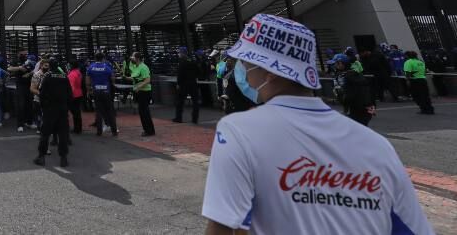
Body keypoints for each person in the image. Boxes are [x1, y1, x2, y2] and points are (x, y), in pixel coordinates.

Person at [202, 14, 433, 234]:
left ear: (269, 71)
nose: (243, 72)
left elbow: (225, 225)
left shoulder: (238, 131)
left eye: (246, 63)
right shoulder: (377, 145)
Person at [34, 58, 71, 167]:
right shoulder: (64, 76)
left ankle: (41, 156)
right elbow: (70, 94)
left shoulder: (48, 76)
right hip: (62, 110)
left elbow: (41, 93)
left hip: (50, 110)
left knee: (45, 134)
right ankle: (63, 158)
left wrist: (44, 107)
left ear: (49, 66)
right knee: (63, 134)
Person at [330, 53, 376, 126]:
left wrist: (344, 100)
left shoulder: (349, 76)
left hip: (358, 108)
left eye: (336, 63)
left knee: (357, 129)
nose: (335, 65)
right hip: (359, 107)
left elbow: (352, 93)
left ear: (341, 63)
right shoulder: (350, 74)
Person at [86, 52, 118, 137]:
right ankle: (114, 131)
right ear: (103, 58)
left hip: (96, 91)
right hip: (106, 91)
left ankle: (99, 131)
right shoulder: (107, 67)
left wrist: (89, 91)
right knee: (110, 111)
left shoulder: (91, 67)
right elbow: (112, 78)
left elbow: (87, 81)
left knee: (98, 111)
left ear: (95, 58)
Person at [128, 52, 155, 137]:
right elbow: (136, 78)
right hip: (139, 92)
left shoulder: (143, 67)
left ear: (137, 58)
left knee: (144, 112)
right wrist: (126, 78)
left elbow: (147, 80)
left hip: (144, 92)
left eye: (133, 56)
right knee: (142, 111)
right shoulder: (136, 67)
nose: (131, 58)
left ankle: (150, 130)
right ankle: (147, 129)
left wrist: (139, 87)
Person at [7, 53, 36, 132]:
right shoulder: (16, 61)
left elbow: (36, 69)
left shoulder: (30, 62)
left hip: (29, 85)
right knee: (20, 105)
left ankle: (29, 122)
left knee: (29, 104)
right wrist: (19, 68)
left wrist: (29, 73)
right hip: (20, 86)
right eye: (22, 53)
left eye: (25, 53)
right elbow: (9, 68)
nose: (24, 55)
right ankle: (20, 125)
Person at [174, 47, 200, 124]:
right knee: (195, 102)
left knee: (180, 101)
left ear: (182, 53)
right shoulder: (192, 61)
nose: (178, 54)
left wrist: (178, 83)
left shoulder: (182, 62)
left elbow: (180, 74)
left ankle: (179, 118)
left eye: (179, 53)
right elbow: (198, 71)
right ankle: (195, 119)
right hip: (193, 83)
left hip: (183, 85)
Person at [67, 58, 84, 135]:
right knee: (77, 112)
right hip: (79, 93)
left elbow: (71, 87)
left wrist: (69, 96)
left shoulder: (72, 74)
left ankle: (77, 129)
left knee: (74, 112)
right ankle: (78, 128)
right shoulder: (78, 72)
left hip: (73, 95)